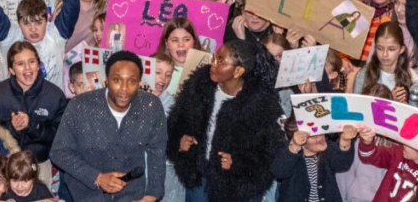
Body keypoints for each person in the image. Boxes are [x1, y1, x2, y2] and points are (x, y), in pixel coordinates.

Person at [168, 40, 284, 202]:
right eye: (214, 57)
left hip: (239, 188)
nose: (213, 64)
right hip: (199, 179)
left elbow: (269, 154)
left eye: (220, 61)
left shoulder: (261, 103)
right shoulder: (199, 85)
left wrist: (238, 165)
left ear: (238, 71)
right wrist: (179, 142)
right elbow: (175, 123)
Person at [50, 50, 167, 202]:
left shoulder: (151, 106)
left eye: (132, 81)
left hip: (132, 196)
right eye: (117, 80)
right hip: (86, 195)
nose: (124, 89)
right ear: (107, 80)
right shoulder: (80, 106)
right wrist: (96, 177)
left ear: (139, 82)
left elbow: (157, 154)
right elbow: (59, 152)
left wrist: (151, 196)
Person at [0, 42, 67, 189]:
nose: (28, 68)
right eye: (20, 64)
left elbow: (60, 137)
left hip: (40, 165)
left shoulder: (54, 95)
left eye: (32, 62)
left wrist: (32, 125)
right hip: (5, 163)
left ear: (38, 65)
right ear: (11, 70)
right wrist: (12, 128)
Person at [356, 126, 418, 201]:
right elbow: (368, 156)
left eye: (408, 142)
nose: (403, 144)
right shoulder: (398, 153)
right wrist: (367, 142)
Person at [271, 119, 358, 202]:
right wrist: (294, 146)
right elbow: (279, 172)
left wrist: (345, 140)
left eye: (320, 131)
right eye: (314, 135)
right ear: (301, 141)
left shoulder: (328, 150)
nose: (320, 137)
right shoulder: (288, 153)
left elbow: (342, 164)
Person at [351, 22, 418, 112]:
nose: (384, 54)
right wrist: (390, 102)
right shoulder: (364, 75)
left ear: (401, 49)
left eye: (391, 49)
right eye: (380, 48)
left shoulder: (412, 78)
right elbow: (357, 110)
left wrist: (407, 107)